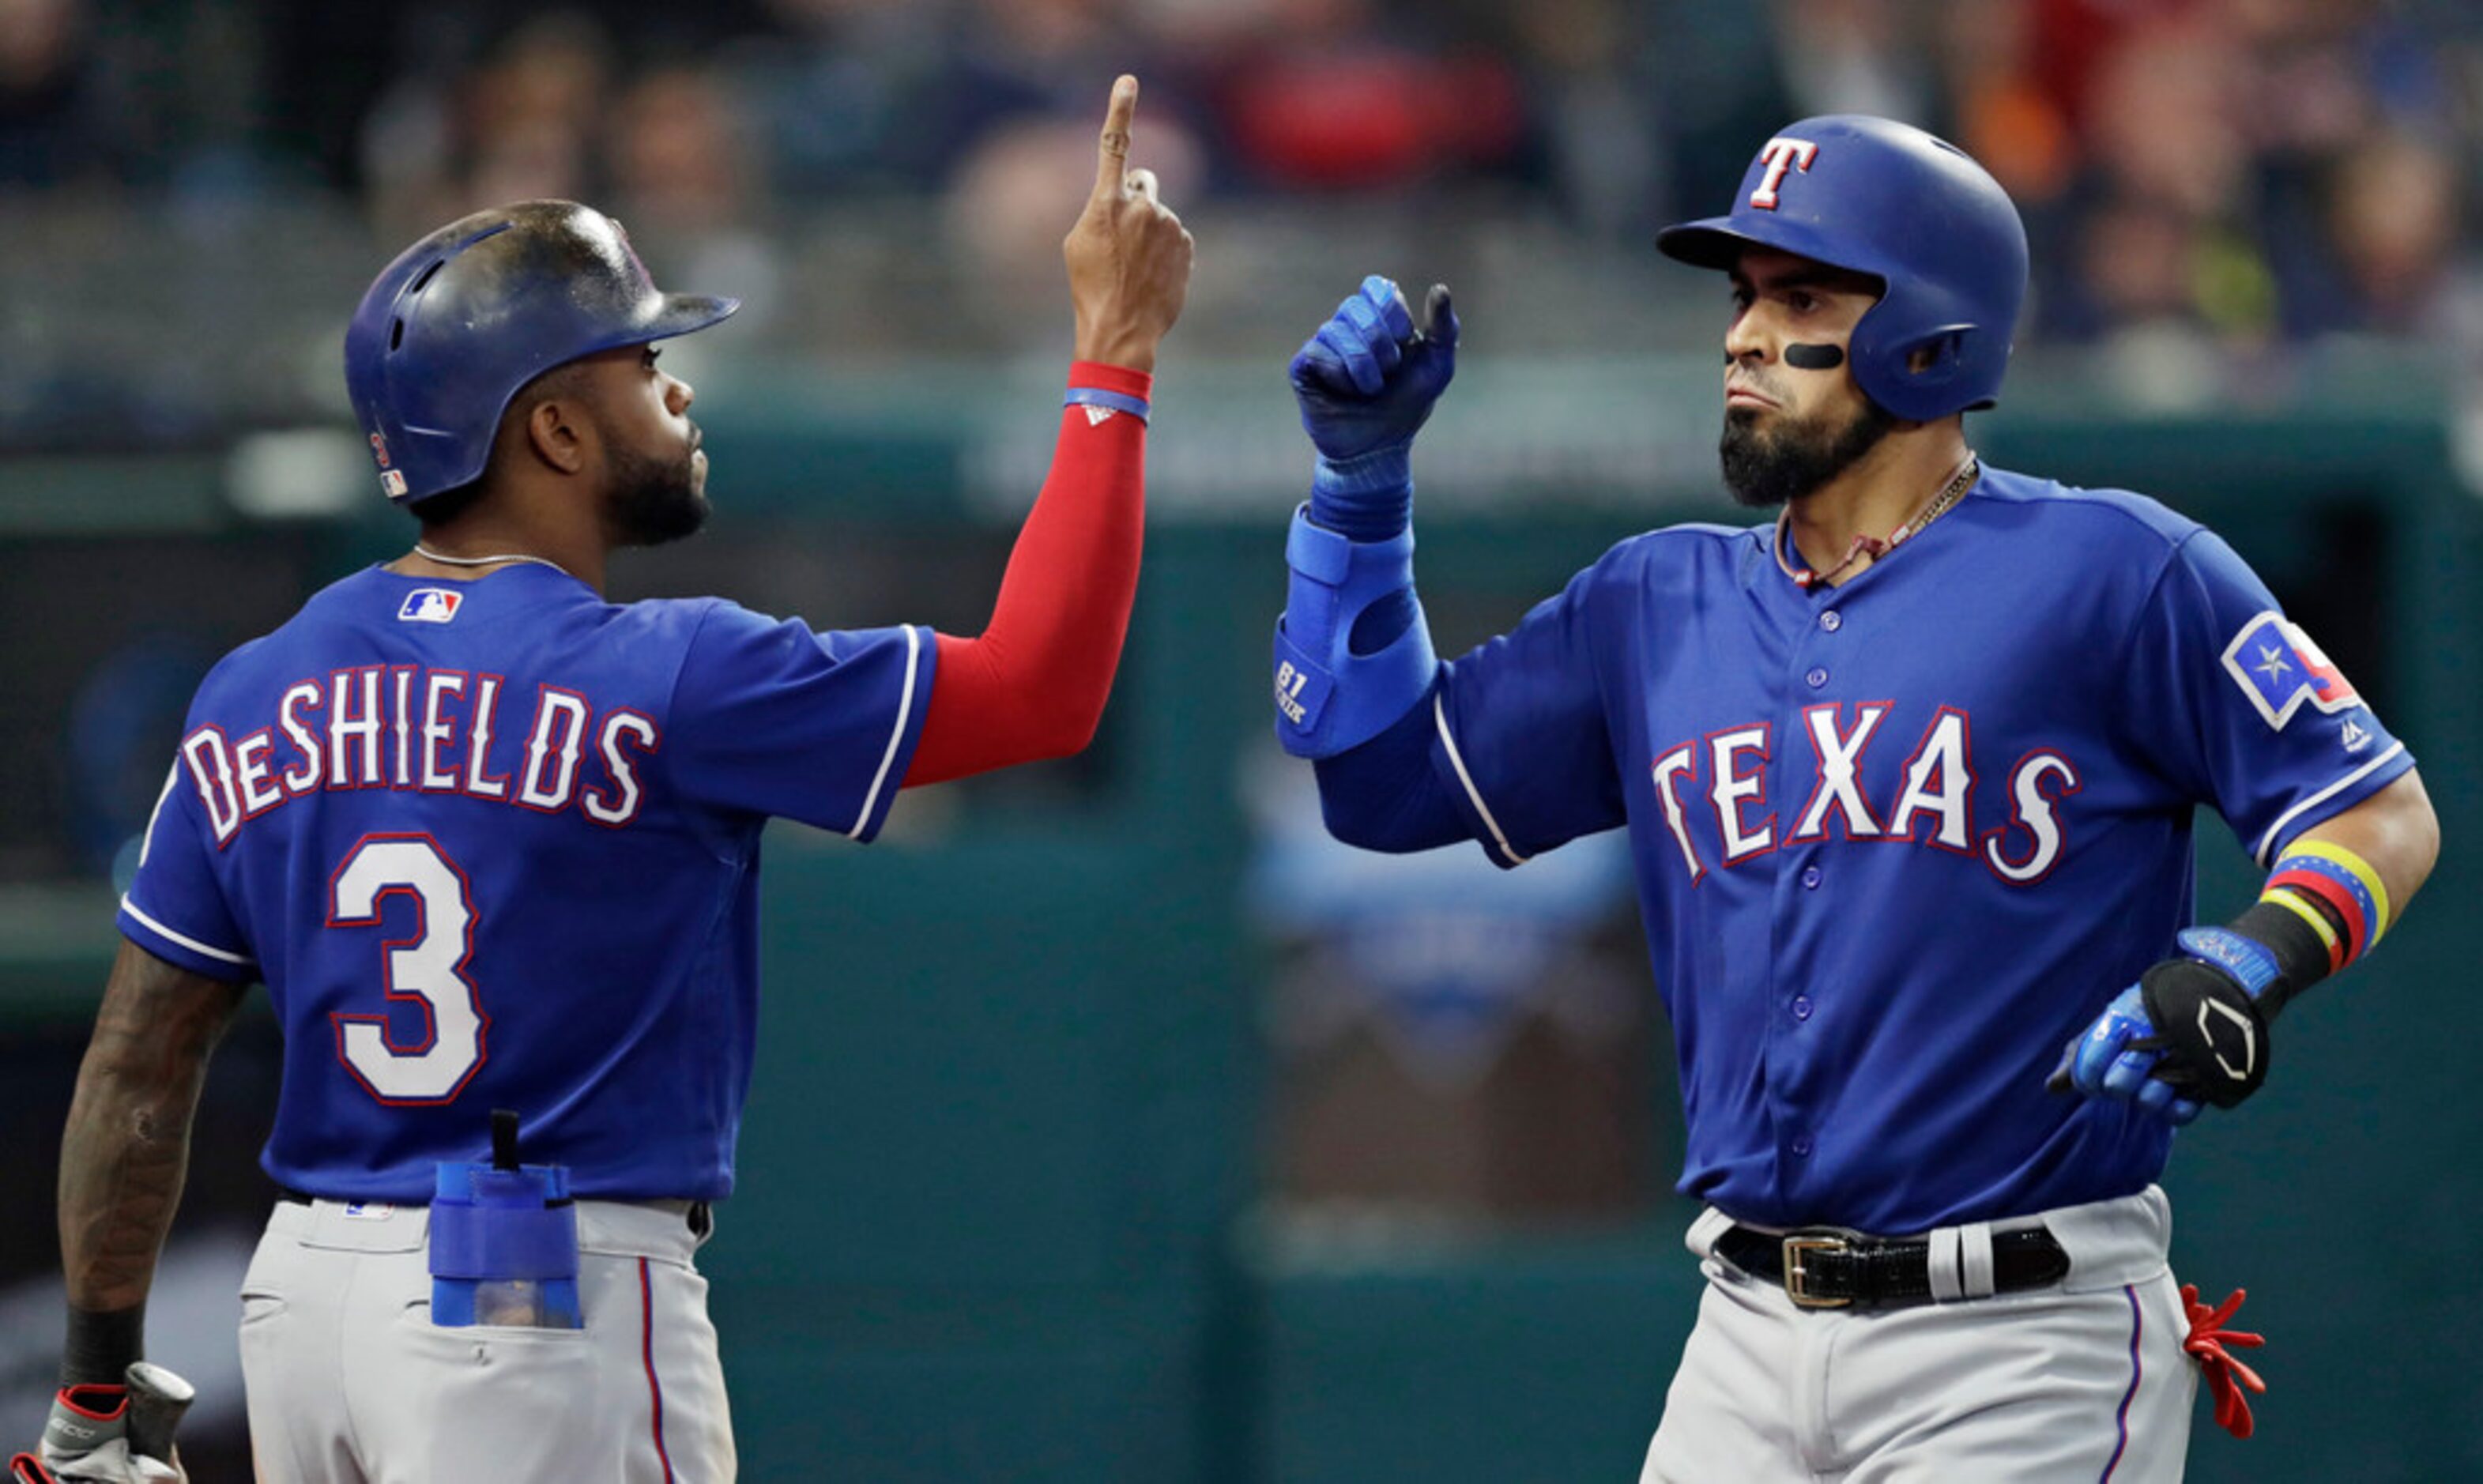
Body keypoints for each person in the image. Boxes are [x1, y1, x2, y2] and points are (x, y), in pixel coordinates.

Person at [13, 73, 1189, 1484]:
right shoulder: (664, 671)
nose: (677, 385)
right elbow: (1043, 687)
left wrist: (90, 1386)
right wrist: (1113, 349)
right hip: (528, 1289)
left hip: (302, 1304)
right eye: (639, 363)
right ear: (553, 433)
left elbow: (139, 1065)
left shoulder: (255, 688)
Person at [1271, 114, 2438, 1482]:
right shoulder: (1655, 600)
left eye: (1802, 297)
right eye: (1744, 297)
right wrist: (1358, 494)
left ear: (1931, 332)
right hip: (1741, 1334)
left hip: (2022, 1334)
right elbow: (1381, 782)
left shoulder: (2115, 570)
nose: (1745, 336)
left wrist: (2252, 956)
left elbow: (2375, 807)